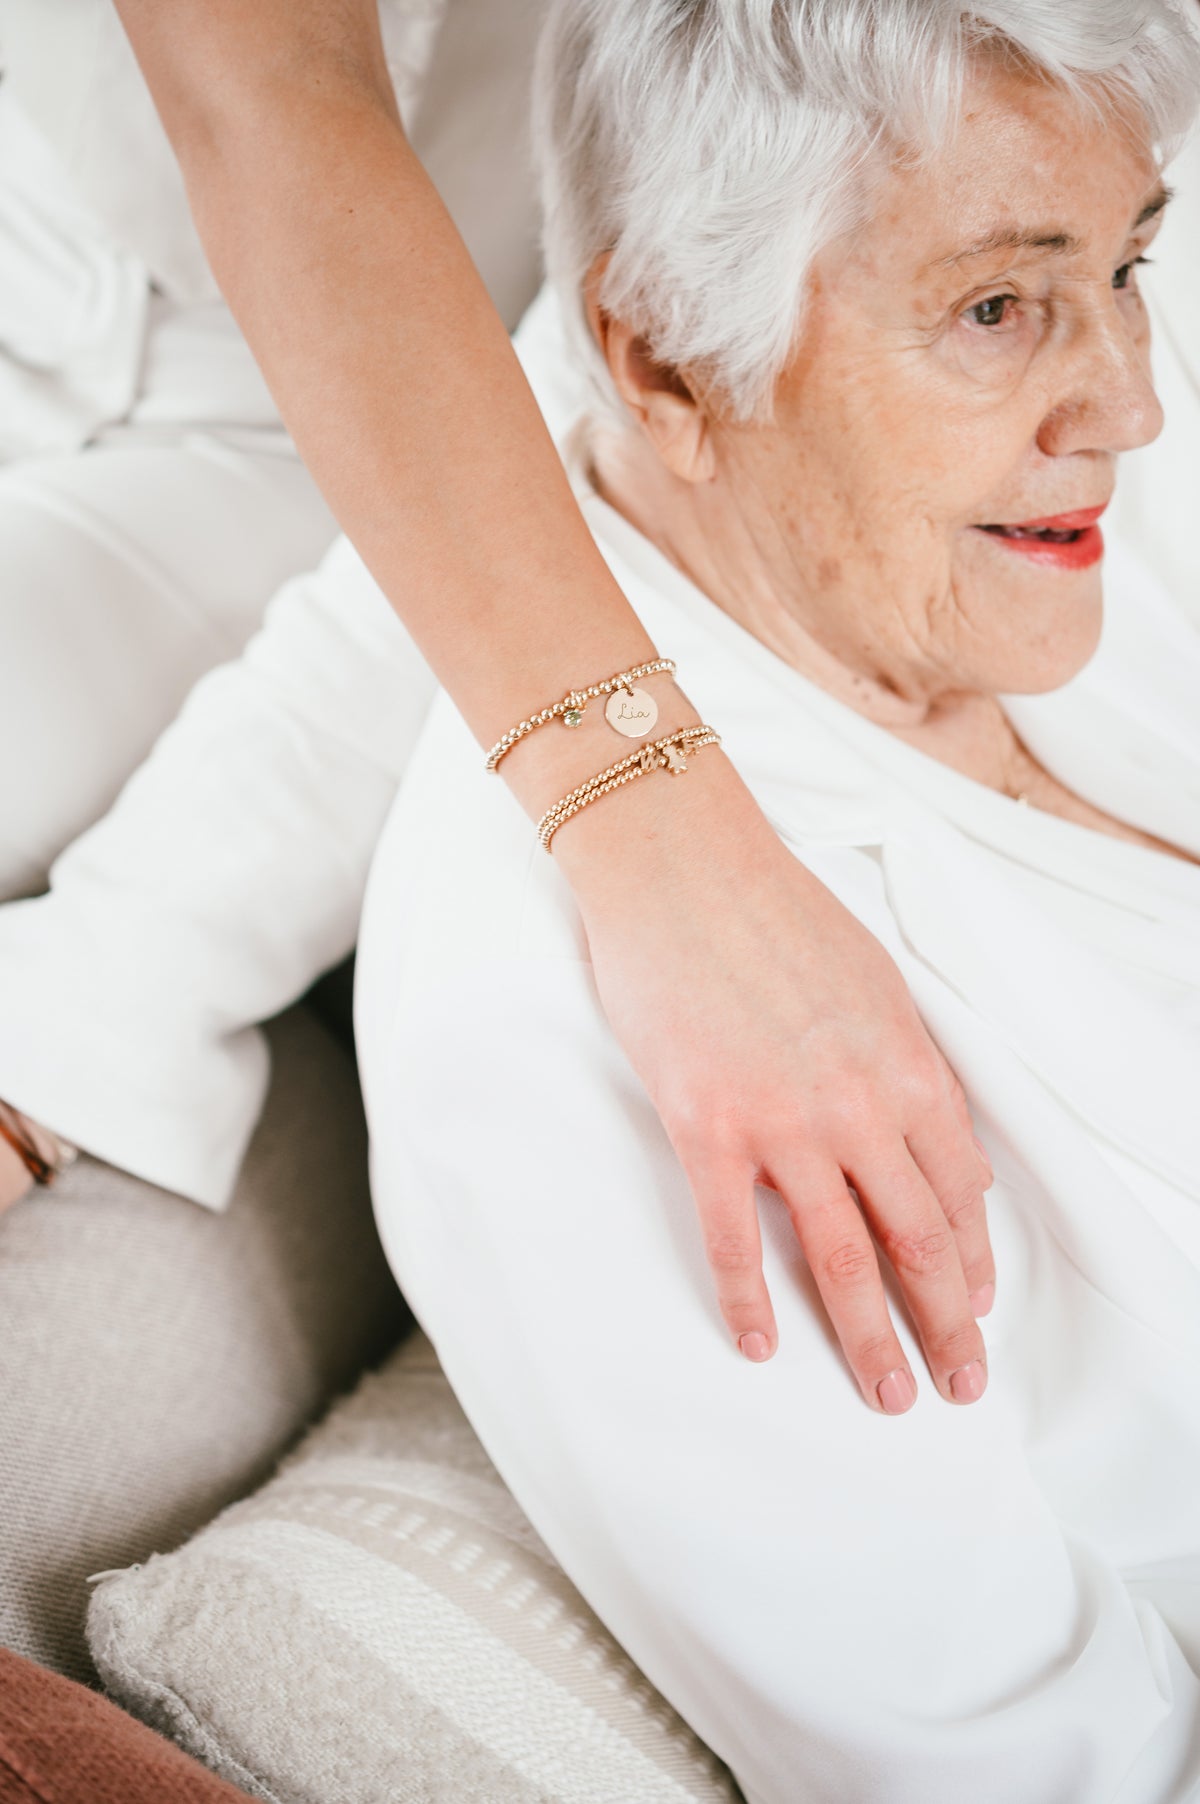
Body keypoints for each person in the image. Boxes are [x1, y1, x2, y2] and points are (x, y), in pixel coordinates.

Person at [352, 2, 1200, 1798]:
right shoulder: (558, 1016)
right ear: (661, 358)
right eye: (999, 306)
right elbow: (1047, 1767)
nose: (1131, 397)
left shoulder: (1014, 557)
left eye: (1132, 263)